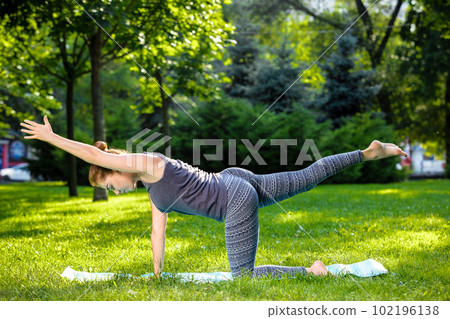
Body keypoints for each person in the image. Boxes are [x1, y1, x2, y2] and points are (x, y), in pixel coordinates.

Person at [20, 116, 408, 279]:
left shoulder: (149, 162)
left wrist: (53, 138)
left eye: (109, 185)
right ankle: (365, 152)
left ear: (116, 170)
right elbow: (158, 235)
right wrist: (157, 273)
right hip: (234, 182)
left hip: (233, 197)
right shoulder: (155, 195)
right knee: (304, 178)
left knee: (242, 277)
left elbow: (94, 154)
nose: (115, 191)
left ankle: (312, 271)